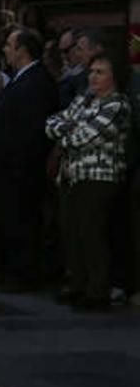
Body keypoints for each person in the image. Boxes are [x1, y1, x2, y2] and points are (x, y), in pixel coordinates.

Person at [0, 26, 56, 291]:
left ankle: (23, 274)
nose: (6, 50)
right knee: (7, 223)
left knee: (21, 223)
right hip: (2, 171)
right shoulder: (20, 78)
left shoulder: (37, 81)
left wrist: (16, 166)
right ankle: (9, 269)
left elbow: (31, 131)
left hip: (17, 172)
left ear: (22, 50)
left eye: (9, 45)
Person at [47, 52, 132, 310]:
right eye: (92, 71)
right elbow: (52, 123)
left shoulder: (117, 105)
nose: (93, 77)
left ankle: (97, 291)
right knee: (71, 232)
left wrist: (66, 132)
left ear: (114, 77)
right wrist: (67, 130)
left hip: (99, 177)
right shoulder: (85, 100)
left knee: (91, 233)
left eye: (100, 72)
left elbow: (83, 138)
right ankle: (77, 284)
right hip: (71, 175)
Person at [58, 28, 105, 108]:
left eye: (80, 49)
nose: (77, 54)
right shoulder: (80, 80)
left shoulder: (113, 78)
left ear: (97, 50)